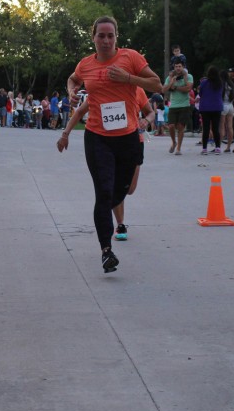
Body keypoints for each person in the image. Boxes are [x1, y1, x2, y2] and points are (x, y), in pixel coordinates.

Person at [65, 15, 161, 273]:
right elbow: (73, 79)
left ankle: (109, 221)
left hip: (128, 138)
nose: (106, 40)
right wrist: (71, 92)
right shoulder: (86, 64)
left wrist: (129, 79)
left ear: (116, 37)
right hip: (97, 137)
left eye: (110, 35)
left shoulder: (130, 58)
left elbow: (157, 84)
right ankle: (106, 250)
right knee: (104, 192)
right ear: (93, 37)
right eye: (101, 35)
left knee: (122, 192)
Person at [57, 89, 155, 242]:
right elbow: (80, 112)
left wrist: (146, 121)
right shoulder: (102, 89)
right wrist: (65, 134)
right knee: (113, 185)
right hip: (108, 144)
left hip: (134, 142)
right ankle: (120, 224)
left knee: (129, 189)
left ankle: (116, 215)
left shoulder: (136, 89)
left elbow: (151, 112)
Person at [162, 60, 193, 155]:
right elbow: (163, 90)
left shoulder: (188, 76)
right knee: (171, 126)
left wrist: (176, 87)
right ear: (174, 67)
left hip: (184, 105)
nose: (178, 68)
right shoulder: (170, 77)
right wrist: (171, 82)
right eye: (176, 66)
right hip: (173, 105)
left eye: (180, 66)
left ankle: (178, 148)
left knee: (180, 127)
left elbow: (188, 89)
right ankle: (174, 142)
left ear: (183, 67)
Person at [198, 66, 224, 155]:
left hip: (205, 108)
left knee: (206, 128)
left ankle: (204, 148)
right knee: (215, 128)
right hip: (217, 107)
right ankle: (217, 147)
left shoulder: (204, 83)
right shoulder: (220, 83)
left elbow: (200, 93)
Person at [220, 69, 234, 152]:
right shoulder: (232, 84)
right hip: (231, 105)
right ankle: (228, 147)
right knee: (230, 127)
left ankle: (218, 146)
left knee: (222, 126)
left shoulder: (221, 84)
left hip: (223, 105)